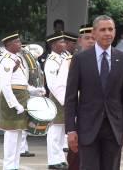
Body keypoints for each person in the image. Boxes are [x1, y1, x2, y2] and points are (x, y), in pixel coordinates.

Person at [65, 15, 123, 170]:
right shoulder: (80, 59)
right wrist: (71, 129)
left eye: (110, 29)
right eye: (103, 30)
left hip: (114, 128)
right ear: (95, 33)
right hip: (87, 128)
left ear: (115, 32)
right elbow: (70, 98)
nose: (107, 33)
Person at [0, 31, 45, 170]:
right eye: (17, 42)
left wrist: (34, 90)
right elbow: (5, 86)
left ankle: (15, 165)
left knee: (19, 133)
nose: (20, 44)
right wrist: (14, 104)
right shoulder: (6, 60)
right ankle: (8, 166)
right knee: (12, 134)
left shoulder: (17, 59)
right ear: (8, 44)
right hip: (12, 98)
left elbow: (22, 83)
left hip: (22, 96)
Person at [66, 24, 95, 170]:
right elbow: (65, 91)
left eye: (93, 38)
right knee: (76, 158)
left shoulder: (102, 61)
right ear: (80, 40)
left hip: (96, 116)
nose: (91, 41)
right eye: (87, 38)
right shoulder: (71, 61)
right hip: (79, 114)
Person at [44, 32, 69, 169]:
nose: (65, 44)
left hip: (64, 97)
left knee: (61, 131)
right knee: (54, 131)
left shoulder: (63, 58)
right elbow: (52, 84)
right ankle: (53, 161)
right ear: (53, 45)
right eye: (62, 42)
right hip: (57, 98)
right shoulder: (51, 61)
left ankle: (60, 158)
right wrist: (63, 100)